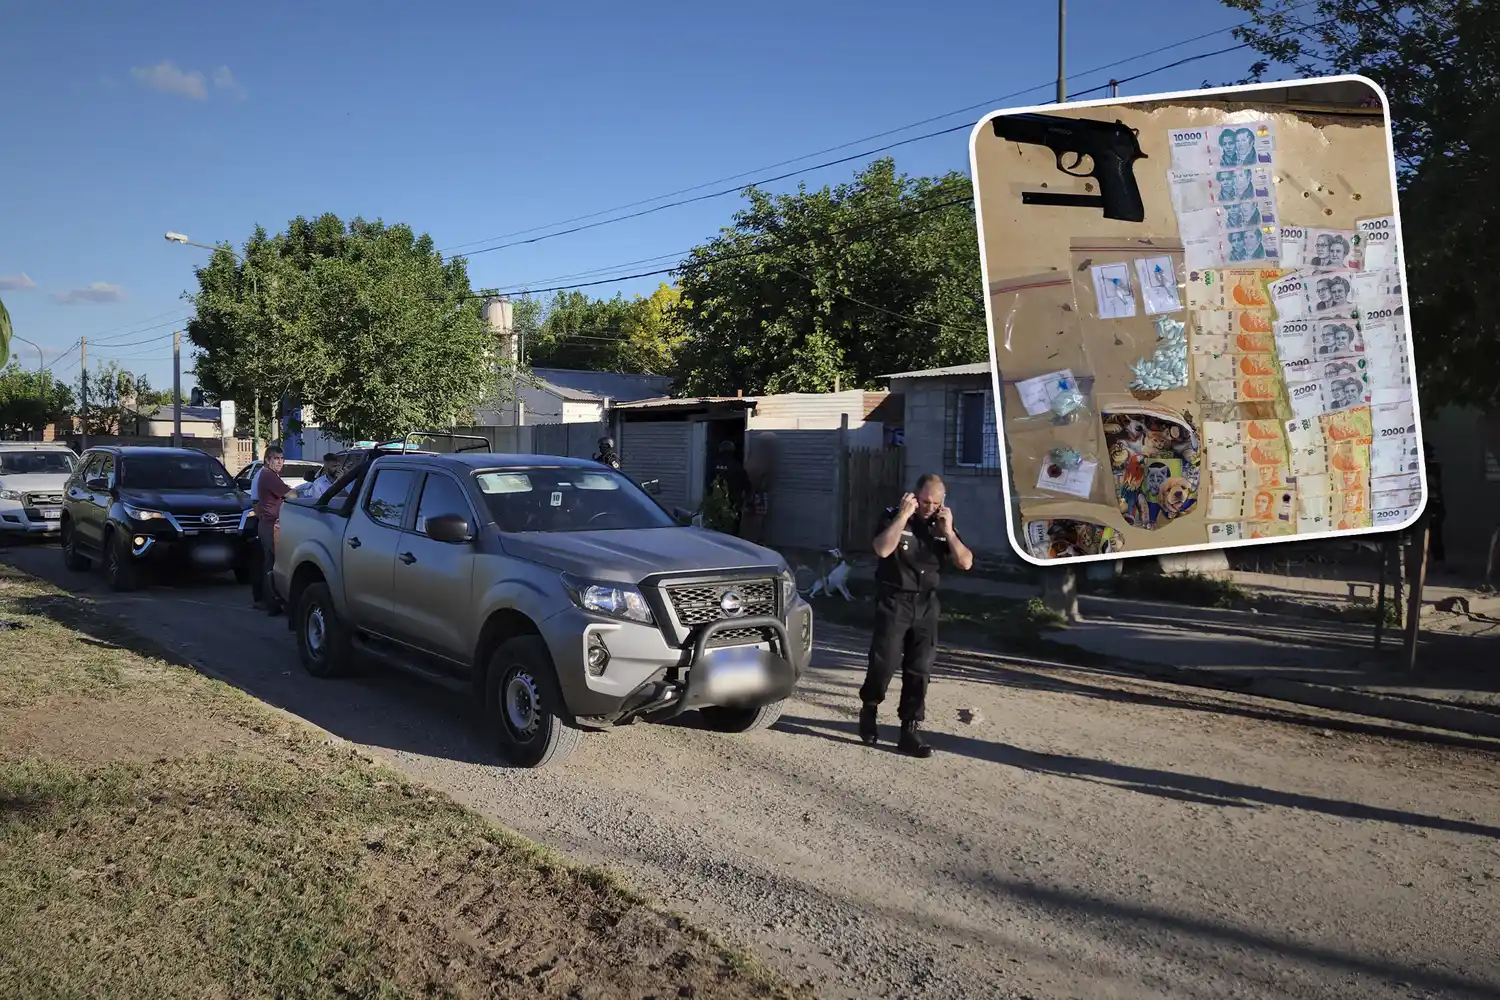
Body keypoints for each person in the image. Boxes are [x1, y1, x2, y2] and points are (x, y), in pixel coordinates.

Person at [859, 474, 974, 758]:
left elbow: (966, 563)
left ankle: (909, 729)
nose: (928, 507)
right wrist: (903, 515)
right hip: (894, 600)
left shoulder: (942, 525)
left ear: (942, 503)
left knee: (920, 668)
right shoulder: (894, 516)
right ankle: (870, 708)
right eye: (924, 501)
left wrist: (949, 532)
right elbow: (882, 549)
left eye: (935, 503)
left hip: (925, 605)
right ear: (913, 496)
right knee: (883, 663)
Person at [253, 446, 293, 615]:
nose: (280, 462)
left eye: (282, 458)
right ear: (267, 460)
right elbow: (292, 495)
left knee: (270, 562)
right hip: (270, 525)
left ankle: (271, 601)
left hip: (270, 524)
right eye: (276, 458)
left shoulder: (270, 475)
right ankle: (272, 603)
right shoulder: (269, 476)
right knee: (272, 564)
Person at [1425, 443, 1445, 563]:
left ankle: (1438, 559)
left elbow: (1434, 485)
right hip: (1430, 504)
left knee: (1435, 534)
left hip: (1434, 505)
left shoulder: (1434, 468)